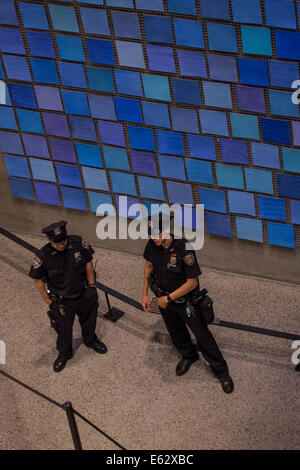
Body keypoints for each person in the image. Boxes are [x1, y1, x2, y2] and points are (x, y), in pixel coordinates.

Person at [141, 214, 234, 394]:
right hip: (164, 300)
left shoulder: (185, 249)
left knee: (202, 335)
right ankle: (188, 355)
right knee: (176, 332)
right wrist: (145, 294)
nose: (154, 239)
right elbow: (148, 267)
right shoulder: (152, 244)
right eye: (151, 235)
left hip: (185, 303)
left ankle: (222, 371)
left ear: (167, 230)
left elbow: (192, 283)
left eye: (157, 234)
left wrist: (168, 299)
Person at [29, 221, 107, 372]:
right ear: (49, 240)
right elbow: (37, 279)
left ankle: (91, 340)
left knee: (89, 320)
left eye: (63, 240)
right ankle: (65, 353)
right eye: (57, 242)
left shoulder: (78, 243)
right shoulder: (43, 256)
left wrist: (92, 286)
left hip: (84, 293)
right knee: (64, 329)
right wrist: (47, 299)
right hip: (63, 301)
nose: (61, 244)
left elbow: (88, 262)